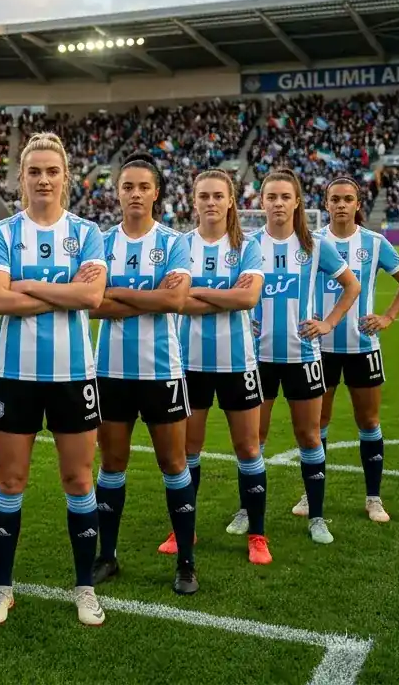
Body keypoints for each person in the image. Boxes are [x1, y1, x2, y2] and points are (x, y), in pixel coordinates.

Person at [0, 132, 109, 627]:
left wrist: (29, 285)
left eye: (51, 171)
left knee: (78, 480)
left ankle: (84, 587)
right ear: (21, 178)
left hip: (74, 376)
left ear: (65, 177)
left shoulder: (87, 232)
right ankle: (2, 587)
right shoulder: (3, 233)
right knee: (10, 481)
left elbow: (93, 297)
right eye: (34, 171)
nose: (43, 179)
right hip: (14, 377)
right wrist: (65, 289)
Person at [89, 153, 197, 594]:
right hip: (110, 373)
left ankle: (186, 563)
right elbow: (90, 304)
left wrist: (115, 294)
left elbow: (174, 302)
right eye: (127, 186)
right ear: (117, 191)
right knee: (111, 465)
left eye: (143, 187)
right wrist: (145, 294)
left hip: (161, 373)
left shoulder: (174, 242)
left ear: (156, 192)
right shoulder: (98, 242)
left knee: (173, 464)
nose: (135, 194)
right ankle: (107, 555)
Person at [235, 170, 360, 545]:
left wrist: (329, 323)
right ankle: (247, 509)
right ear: (262, 202)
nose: (277, 203)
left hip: (303, 357)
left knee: (308, 436)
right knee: (253, 439)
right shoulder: (248, 244)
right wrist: (245, 319)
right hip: (257, 360)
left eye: (284, 196)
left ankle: (317, 517)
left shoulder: (315, 245)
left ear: (296, 202)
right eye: (271, 196)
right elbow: (232, 292)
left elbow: (351, 285)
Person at [160, 169, 270, 565]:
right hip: (188, 365)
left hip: (238, 363)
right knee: (187, 450)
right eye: (203, 195)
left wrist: (198, 293)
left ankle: (257, 534)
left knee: (248, 447)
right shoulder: (179, 246)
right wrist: (225, 294)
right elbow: (175, 302)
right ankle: (183, 530)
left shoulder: (248, 246)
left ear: (230, 201)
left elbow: (249, 298)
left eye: (217, 196)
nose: (210, 202)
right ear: (193, 201)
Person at [306, 176, 399, 524]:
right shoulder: (311, 242)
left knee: (368, 421)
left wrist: (388, 317)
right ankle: (312, 495)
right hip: (318, 348)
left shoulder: (374, 242)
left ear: (357, 204)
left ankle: (373, 498)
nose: (340, 204)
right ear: (325, 203)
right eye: (334, 199)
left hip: (362, 346)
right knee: (316, 424)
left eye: (347, 199)